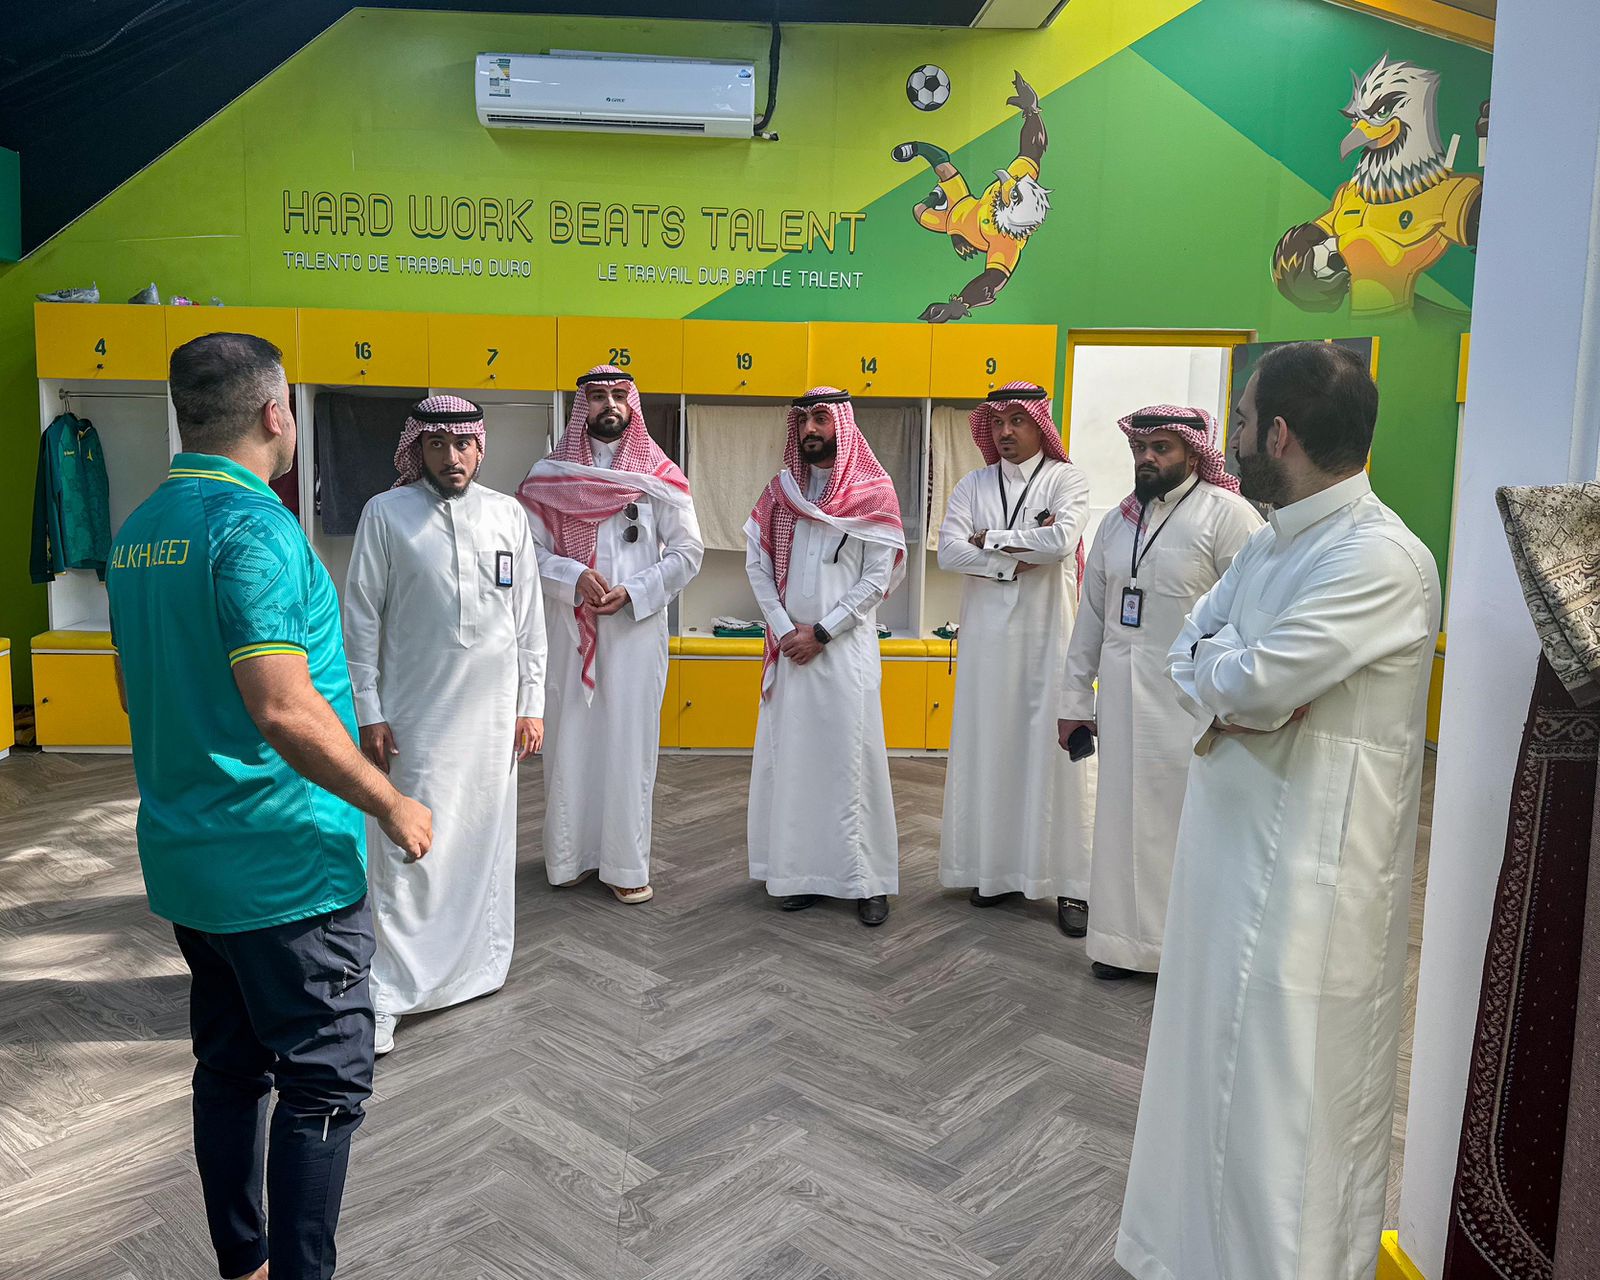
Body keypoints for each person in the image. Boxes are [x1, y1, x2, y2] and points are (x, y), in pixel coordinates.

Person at [106, 333, 432, 1280]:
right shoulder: (255, 530)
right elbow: (283, 706)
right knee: (324, 1083)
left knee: (230, 1067)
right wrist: (391, 804)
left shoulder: (142, 530)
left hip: (190, 862)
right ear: (275, 413)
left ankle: (242, 1261)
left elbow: (133, 691)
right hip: (286, 870)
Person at [1116, 342, 1441, 1280]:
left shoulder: (1381, 558)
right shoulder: (1271, 540)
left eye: (1246, 421)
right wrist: (1235, 677)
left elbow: (1251, 684)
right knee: (1208, 1073)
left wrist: (1234, 677)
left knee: (1287, 1105)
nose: (1236, 438)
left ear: (1280, 435)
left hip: (1310, 881)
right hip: (1229, 848)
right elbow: (1194, 652)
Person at [343, 396, 547, 1057]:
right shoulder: (386, 514)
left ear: (480, 448)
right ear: (419, 449)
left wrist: (532, 703)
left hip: (492, 720)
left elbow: (528, 620)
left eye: (463, 445)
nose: (451, 457)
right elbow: (361, 617)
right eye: (437, 445)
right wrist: (369, 709)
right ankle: (389, 992)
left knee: (482, 839)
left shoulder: (508, 515)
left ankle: (474, 968)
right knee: (410, 849)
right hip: (415, 716)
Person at [1059, 405, 1261, 979]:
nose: (1146, 458)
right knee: (1119, 821)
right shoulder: (1117, 523)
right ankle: (1118, 945)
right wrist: (1073, 703)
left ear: (1194, 454)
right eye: (1139, 448)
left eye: (1161, 448)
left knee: (1178, 826)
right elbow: (1091, 619)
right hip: (1121, 703)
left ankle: (1180, 955)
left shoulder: (1228, 516)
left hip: (1191, 708)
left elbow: (1253, 616)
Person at [518, 366, 702, 903]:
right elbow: (526, 550)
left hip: (634, 632)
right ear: (584, 406)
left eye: (619, 395)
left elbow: (688, 552)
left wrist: (637, 590)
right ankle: (568, 857)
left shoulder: (659, 475)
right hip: (570, 630)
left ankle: (625, 865)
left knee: (629, 745)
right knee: (570, 742)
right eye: (597, 396)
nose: (609, 404)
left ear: (632, 404)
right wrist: (573, 576)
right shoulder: (549, 476)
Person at [936, 382, 1095, 938]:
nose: (1005, 431)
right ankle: (997, 871)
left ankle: (1071, 885)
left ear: (1039, 424)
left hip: (1049, 639)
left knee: (1056, 758)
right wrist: (1009, 559)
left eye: (1017, 421)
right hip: (986, 643)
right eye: (997, 422)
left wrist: (989, 538)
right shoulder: (972, 484)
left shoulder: (1066, 479)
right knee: (992, 747)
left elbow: (1061, 541)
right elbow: (948, 551)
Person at [745, 388, 907, 926]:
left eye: (822, 418)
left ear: (842, 423)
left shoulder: (873, 491)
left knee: (853, 765)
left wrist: (822, 631)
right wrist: (785, 630)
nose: (811, 428)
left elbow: (877, 579)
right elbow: (757, 566)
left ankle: (867, 881)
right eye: (804, 420)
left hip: (844, 654)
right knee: (795, 764)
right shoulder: (781, 492)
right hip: (790, 652)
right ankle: (800, 875)